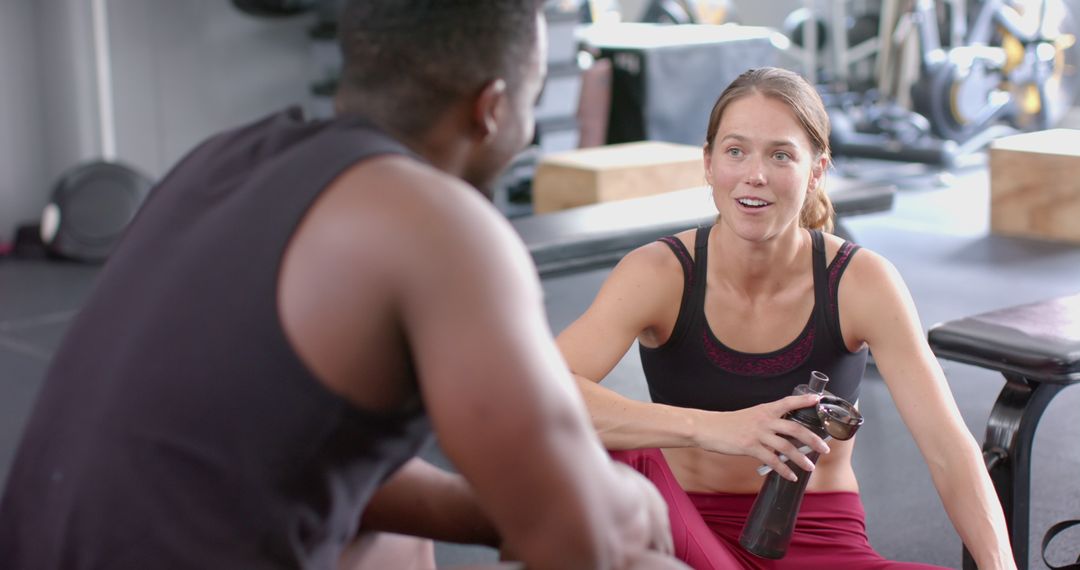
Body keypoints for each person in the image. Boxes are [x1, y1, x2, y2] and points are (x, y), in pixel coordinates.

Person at [0, 2, 687, 569]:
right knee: (647, 563)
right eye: (533, 104)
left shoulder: (216, 162)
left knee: (394, 541)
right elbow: (581, 543)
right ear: (493, 108)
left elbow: (282, 455)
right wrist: (629, 501)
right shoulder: (440, 224)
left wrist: (490, 513)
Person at [555, 67, 1016, 570]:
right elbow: (539, 392)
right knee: (623, 456)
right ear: (708, 164)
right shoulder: (659, 273)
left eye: (781, 155)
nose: (755, 174)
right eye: (735, 151)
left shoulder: (861, 282)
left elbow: (950, 450)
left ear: (816, 171)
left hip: (820, 536)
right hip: (687, 529)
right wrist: (716, 429)